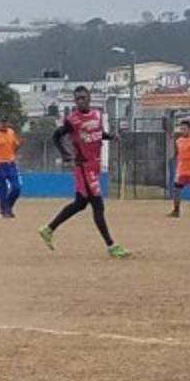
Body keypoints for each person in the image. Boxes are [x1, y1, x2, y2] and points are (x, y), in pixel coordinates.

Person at [38, 86, 130, 258]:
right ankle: (111, 246)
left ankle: (48, 229)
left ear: (89, 98)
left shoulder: (97, 115)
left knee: (80, 203)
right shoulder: (72, 120)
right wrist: (65, 154)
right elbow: (56, 136)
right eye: (77, 98)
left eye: (83, 97)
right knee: (98, 206)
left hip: (94, 165)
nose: (80, 101)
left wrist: (111, 136)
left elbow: (98, 133)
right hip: (84, 167)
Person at [0, 116, 20, 218]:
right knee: (3, 189)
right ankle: (4, 211)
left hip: (10, 164)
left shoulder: (11, 132)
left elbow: (16, 145)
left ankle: (8, 206)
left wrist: (13, 155)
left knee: (16, 188)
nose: (4, 124)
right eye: (2, 122)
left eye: (5, 122)